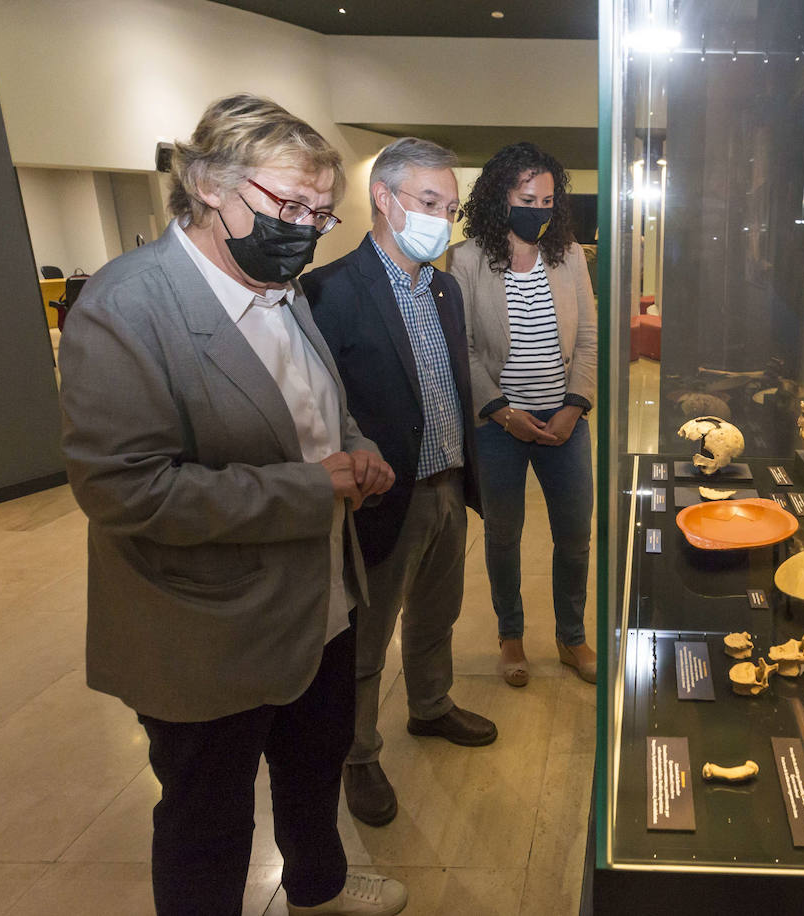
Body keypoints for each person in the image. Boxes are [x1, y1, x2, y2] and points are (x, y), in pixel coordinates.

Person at [58, 94, 406, 916]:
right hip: (205, 620)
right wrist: (312, 485)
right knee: (207, 816)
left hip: (318, 596)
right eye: (287, 204)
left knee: (314, 761)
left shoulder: (282, 286)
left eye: (321, 215)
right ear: (209, 184)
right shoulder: (128, 307)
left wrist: (358, 449)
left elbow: (321, 404)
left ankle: (316, 886)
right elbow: (122, 489)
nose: (304, 227)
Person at [302, 138, 494, 828]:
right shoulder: (328, 291)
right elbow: (319, 406)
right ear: (384, 199)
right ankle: (357, 754)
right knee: (366, 635)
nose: (444, 219)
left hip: (446, 480)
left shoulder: (443, 286)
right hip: (383, 495)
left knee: (437, 611)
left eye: (452, 207)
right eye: (430, 203)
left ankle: (431, 705)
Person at [451, 142, 598, 687]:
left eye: (548, 200)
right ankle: (510, 635)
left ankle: (571, 637)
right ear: (499, 198)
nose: (538, 209)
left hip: (564, 422)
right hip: (499, 427)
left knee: (575, 537)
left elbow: (588, 337)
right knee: (503, 536)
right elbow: (461, 346)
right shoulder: (467, 260)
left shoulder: (570, 256)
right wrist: (499, 410)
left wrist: (574, 405)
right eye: (526, 198)